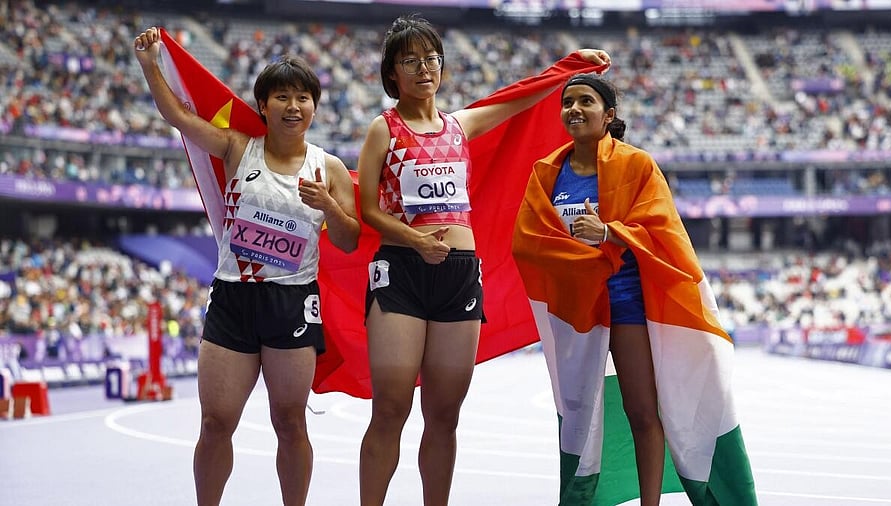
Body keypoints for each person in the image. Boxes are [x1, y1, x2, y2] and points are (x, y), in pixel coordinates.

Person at [355, 15, 611, 506]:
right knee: (390, 407)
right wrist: (414, 239)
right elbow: (367, 210)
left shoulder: (459, 125)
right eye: (410, 61)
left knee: (444, 414)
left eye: (431, 59)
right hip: (401, 273)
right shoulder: (382, 131)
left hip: (459, 277)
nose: (423, 68)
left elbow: (515, 100)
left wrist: (569, 70)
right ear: (393, 75)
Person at [133, 27, 360, 506]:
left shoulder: (329, 168)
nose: (293, 106)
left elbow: (349, 239)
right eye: (282, 97)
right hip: (232, 297)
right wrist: (151, 63)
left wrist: (330, 206)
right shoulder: (239, 148)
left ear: (314, 107)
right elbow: (178, 116)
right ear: (264, 105)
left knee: (290, 421)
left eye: (303, 97)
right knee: (215, 423)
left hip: (292, 301)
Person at [512, 73, 757, 505]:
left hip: (624, 304)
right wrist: (578, 258)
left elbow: (663, 229)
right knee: (577, 418)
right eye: (567, 102)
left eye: (585, 101)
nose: (573, 109)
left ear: (608, 115)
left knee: (642, 412)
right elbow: (529, 242)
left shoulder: (636, 165)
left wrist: (609, 232)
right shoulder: (546, 172)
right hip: (576, 314)